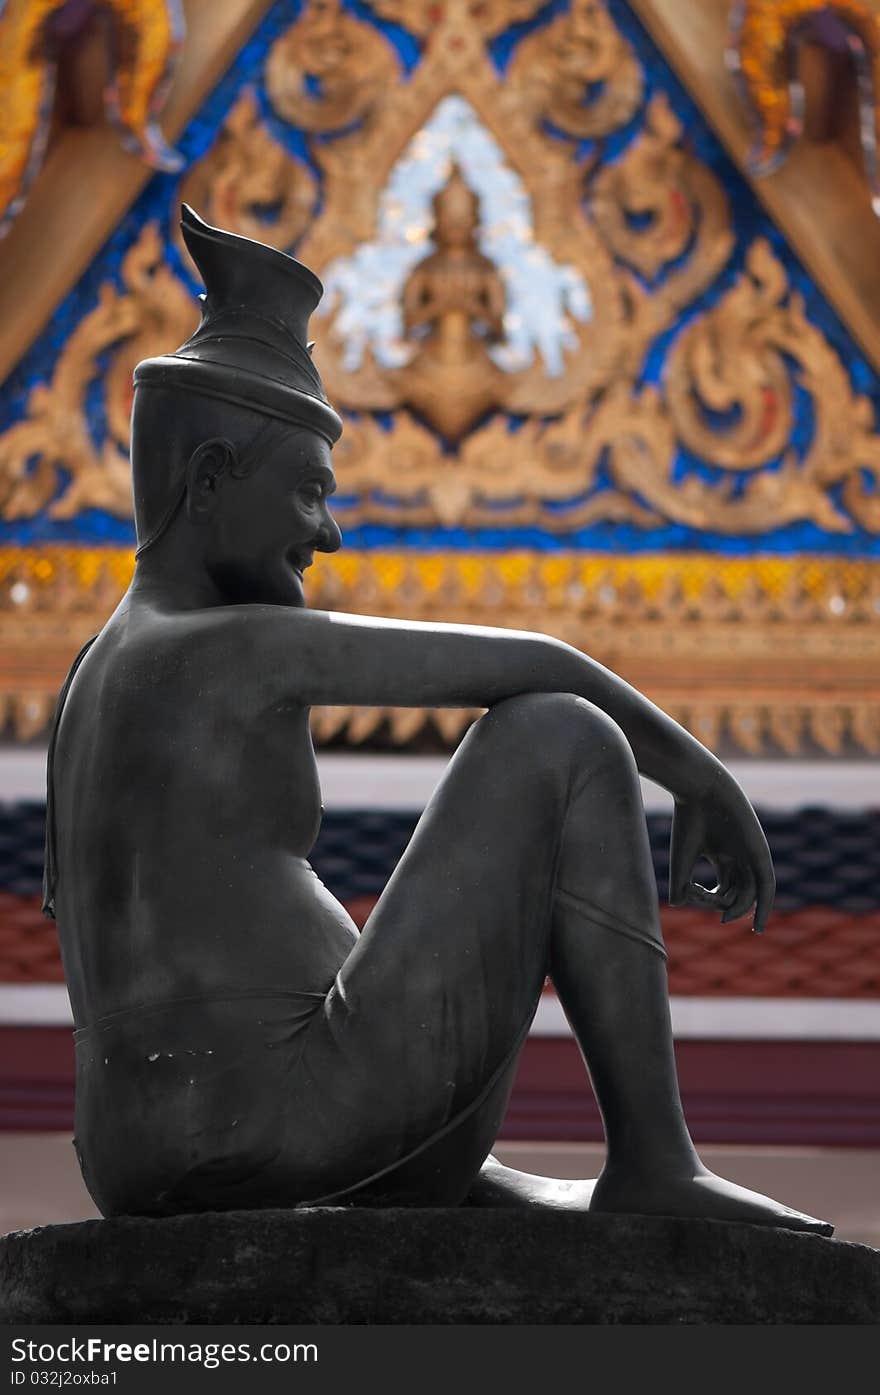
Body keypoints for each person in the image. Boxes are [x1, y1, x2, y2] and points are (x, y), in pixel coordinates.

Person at [44, 206, 830, 1232]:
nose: (325, 533)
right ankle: (653, 1158)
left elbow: (227, 930)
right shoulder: (219, 646)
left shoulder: (89, 679)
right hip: (267, 1116)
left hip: (136, 1143)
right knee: (563, 734)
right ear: (208, 482)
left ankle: (468, 1178)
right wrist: (697, 773)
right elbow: (542, 666)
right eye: (309, 494)